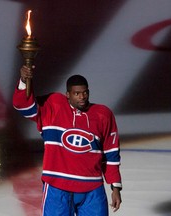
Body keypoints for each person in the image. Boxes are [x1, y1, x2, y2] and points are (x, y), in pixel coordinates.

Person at [13, 65, 122, 216]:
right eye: (77, 93)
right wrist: (24, 80)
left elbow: (111, 152)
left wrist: (115, 187)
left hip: (92, 189)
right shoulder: (53, 106)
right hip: (58, 188)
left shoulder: (103, 114)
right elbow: (24, 107)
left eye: (85, 92)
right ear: (67, 94)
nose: (82, 97)